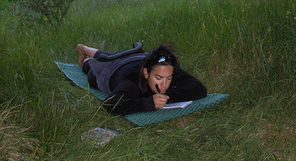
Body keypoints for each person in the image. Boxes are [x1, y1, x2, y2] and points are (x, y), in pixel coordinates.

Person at [77, 42, 207, 115]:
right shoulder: (131, 82)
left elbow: (199, 89)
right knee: (93, 66)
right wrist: (147, 103)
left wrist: (167, 97)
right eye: (159, 78)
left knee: (111, 56)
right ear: (146, 73)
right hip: (113, 69)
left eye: (169, 79)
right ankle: (87, 55)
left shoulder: (165, 67)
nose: (164, 84)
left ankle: (87, 49)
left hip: (138, 57)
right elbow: (110, 104)